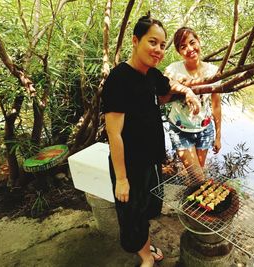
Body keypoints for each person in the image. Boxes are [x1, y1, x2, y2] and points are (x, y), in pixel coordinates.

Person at [101, 15, 199, 267]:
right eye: (152, 42)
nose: (158, 50)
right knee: (132, 216)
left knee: (147, 209)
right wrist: (121, 179)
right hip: (129, 166)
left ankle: (146, 245)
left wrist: (187, 91)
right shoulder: (119, 79)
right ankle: (145, 255)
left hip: (151, 160)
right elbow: (114, 133)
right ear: (135, 41)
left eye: (163, 45)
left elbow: (169, 87)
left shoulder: (151, 75)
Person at [164, 27, 222, 175]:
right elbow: (162, 95)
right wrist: (184, 89)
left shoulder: (213, 72)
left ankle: (189, 194)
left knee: (197, 172)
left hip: (205, 129)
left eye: (192, 42)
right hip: (180, 130)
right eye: (183, 47)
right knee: (197, 175)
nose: (190, 49)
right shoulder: (173, 70)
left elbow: (216, 105)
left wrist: (218, 136)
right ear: (178, 51)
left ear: (199, 41)